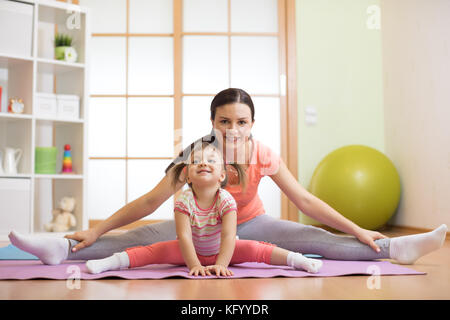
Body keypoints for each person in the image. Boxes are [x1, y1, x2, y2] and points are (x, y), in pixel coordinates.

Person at [9, 88, 447, 266]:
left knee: (315, 241)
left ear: (252, 122)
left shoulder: (264, 154)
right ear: (213, 122)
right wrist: (97, 228)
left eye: (241, 121)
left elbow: (307, 202)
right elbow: (149, 202)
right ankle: (63, 248)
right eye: (224, 121)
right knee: (134, 240)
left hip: (252, 224)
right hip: (197, 225)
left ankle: (391, 247)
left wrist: (359, 229)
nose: (233, 129)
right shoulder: (196, 155)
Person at [85, 142, 322, 275]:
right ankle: (110, 262)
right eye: (196, 160)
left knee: (255, 248)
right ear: (186, 175)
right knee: (151, 251)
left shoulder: (226, 200)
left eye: (211, 160)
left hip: (223, 250)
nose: (203, 163)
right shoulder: (184, 201)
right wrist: (194, 266)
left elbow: (229, 236)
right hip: (190, 251)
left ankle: (297, 260)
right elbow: (184, 237)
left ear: (222, 176)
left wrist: (222, 263)